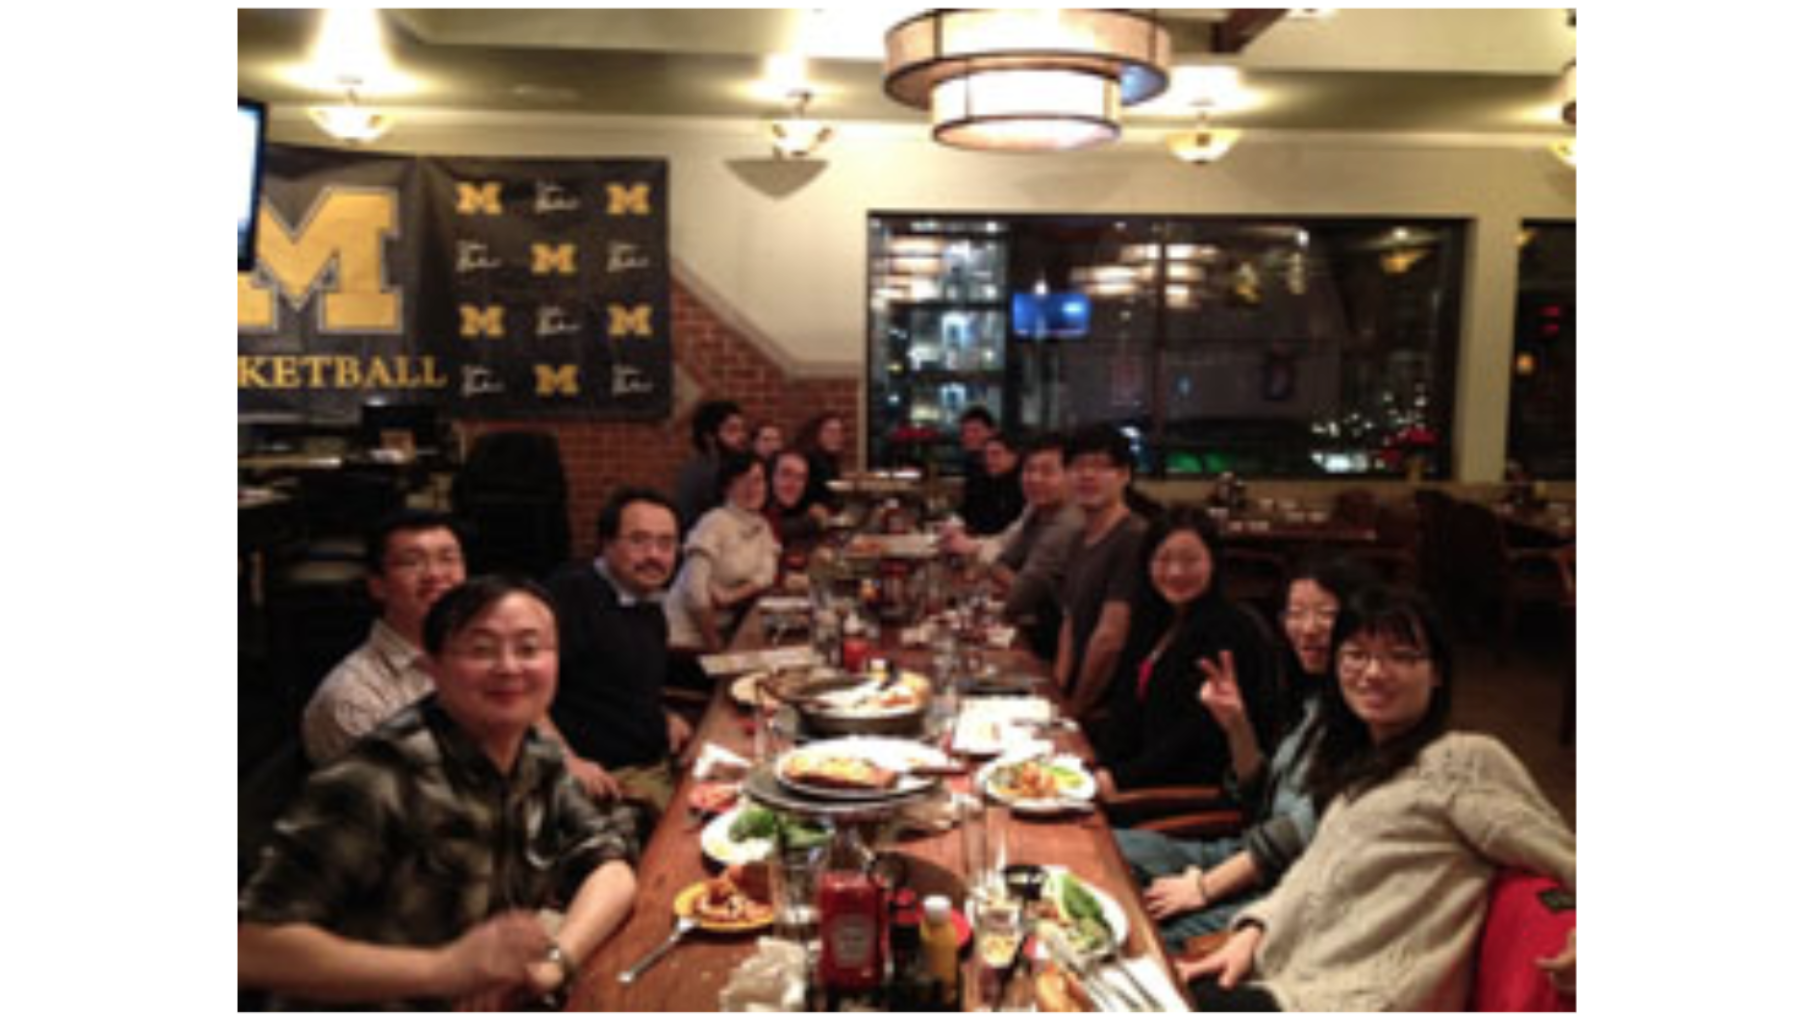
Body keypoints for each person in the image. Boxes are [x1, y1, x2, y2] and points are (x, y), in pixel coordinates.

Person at [240, 576, 640, 1010]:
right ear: (432, 667)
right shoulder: (375, 779)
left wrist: (553, 964)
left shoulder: (537, 757)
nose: (509, 667)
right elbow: (250, 947)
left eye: (529, 648)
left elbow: (611, 866)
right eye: (481, 650)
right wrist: (443, 970)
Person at [1180, 588, 1576, 1011]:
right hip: (1285, 980)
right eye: (1356, 654)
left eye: (1401, 656)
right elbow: (1314, 876)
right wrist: (1254, 930)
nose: (1373, 672)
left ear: (1437, 673)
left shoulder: (1463, 760)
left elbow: (1563, 852)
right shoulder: (1360, 763)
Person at [1113, 552, 1375, 952]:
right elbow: (1254, 797)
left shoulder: (1366, 717)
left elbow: (1298, 832)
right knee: (1105, 849)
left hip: (1279, 890)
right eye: (1296, 613)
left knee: (1138, 940)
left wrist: (1204, 887)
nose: (1307, 628)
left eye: (1326, 614)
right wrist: (1235, 723)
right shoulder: (1312, 700)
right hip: (1237, 852)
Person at [1088, 506, 1278, 794]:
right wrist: (1099, 768)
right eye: (1163, 559)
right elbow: (1124, 708)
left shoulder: (1231, 631)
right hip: (1126, 782)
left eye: (1190, 560)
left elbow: (1196, 738)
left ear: (1213, 562)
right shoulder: (1154, 619)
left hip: (1176, 796)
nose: (1175, 572)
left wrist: (1119, 780)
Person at [541, 488, 693, 814]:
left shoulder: (646, 600)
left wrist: (663, 714)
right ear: (607, 544)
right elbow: (524, 695)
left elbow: (613, 681)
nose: (654, 555)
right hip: (612, 781)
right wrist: (567, 760)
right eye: (639, 540)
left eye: (666, 543)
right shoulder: (572, 594)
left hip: (658, 761)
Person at [300, 509, 467, 766]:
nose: (435, 574)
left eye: (448, 559)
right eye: (412, 562)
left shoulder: (478, 657)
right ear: (377, 585)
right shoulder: (353, 699)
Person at [940, 432, 1081, 661]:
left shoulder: (1068, 522)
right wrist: (1000, 567)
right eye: (1029, 470)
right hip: (1036, 625)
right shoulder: (1035, 508)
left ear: (1072, 476)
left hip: (1058, 643)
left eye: (1047, 472)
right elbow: (1006, 551)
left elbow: (1021, 595)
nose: (1034, 479)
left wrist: (989, 562)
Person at [1053, 423, 1149, 723]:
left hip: (1114, 711)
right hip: (1079, 700)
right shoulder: (1078, 539)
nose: (1087, 475)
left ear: (1125, 475)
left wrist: (1075, 711)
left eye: (1101, 466)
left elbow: (1110, 640)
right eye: (1077, 466)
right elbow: (1070, 624)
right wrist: (1057, 693)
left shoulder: (1133, 537)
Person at [666, 451, 780, 653]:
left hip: (724, 632)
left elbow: (767, 574)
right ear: (727, 487)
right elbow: (695, 594)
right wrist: (715, 646)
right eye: (742, 481)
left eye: (758, 480)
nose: (752, 488)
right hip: (685, 640)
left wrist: (731, 596)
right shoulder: (713, 522)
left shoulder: (762, 526)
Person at [674, 399, 747, 535]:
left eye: (742, 429)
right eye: (732, 430)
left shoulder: (720, 467)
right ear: (710, 438)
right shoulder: (705, 473)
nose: (742, 436)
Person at [958, 432, 1025, 536]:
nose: (989, 460)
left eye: (996, 454)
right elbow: (966, 511)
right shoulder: (982, 479)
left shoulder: (1024, 484)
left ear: (1014, 456)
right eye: (986, 455)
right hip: (976, 538)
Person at [766, 448, 829, 557]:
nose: (793, 484)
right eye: (786, 474)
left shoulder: (795, 509)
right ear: (769, 476)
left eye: (800, 477)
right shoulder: (756, 512)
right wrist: (814, 521)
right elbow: (775, 529)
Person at [793, 411, 847, 511]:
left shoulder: (829, 460)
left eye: (840, 432)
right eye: (830, 432)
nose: (836, 436)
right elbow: (808, 501)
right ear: (816, 434)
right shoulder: (809, 459)